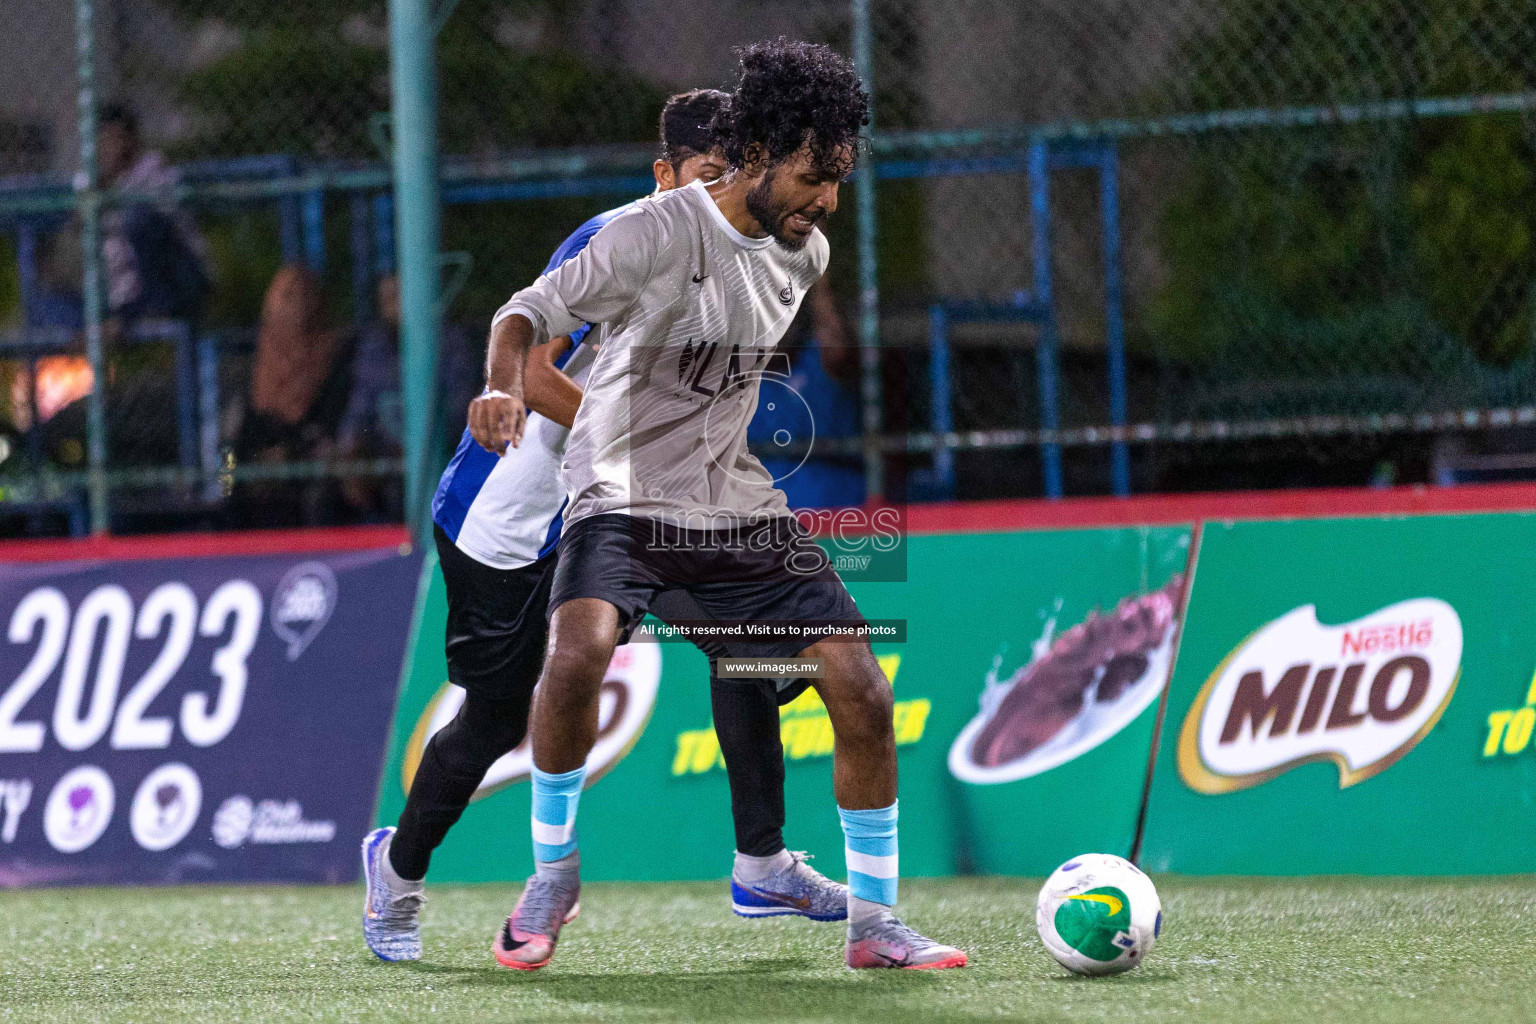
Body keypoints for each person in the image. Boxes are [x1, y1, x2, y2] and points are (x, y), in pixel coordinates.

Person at [475, 40, 966, 971]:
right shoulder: (654, 232)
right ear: (764, 152)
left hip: (732, 506)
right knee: (577, 653)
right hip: (617, 493)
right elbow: (524, 313)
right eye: (817, 176)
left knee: (858, 685)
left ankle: (873, 923)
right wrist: (503, 388)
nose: (829, 201)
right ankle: (551, 872)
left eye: (840, 180)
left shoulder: (805, 253)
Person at [359, 88, 848, 965]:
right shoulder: (622, 235)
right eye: (706, 175)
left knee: (755, 645)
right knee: (496, 720)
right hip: (510, 525)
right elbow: (535, 364)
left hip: (631, 514)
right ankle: (395, 873)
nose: (722, 194)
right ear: (666, 174)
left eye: (736, 175)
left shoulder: (752, 250)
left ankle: (762, 861)